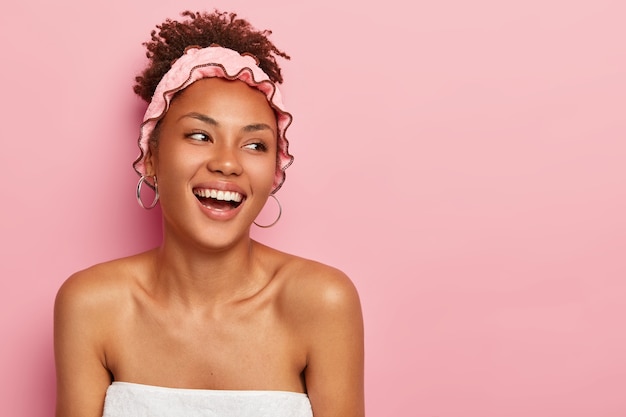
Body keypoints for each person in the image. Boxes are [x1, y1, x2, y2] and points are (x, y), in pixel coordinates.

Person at [53, 10, 364, 417]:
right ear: (150, 158)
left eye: (255, 145)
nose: (228, 163)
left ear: (274, 172)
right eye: (200, 135)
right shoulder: (91, 305)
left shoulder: (323, 303)